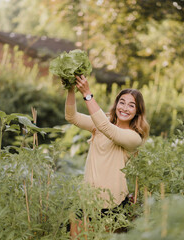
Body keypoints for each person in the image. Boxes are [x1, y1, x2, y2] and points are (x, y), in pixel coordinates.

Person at [65, 75, 150, 237]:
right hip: (86, 199)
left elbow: (107, 128)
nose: (125, 108)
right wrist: (70, 88)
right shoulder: (100, 124)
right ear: (116, 104)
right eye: (122, 102)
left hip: (112, 205)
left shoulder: (134, 137)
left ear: (137, 112)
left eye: (131, 105)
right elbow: (72, 117)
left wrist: (87, 94)